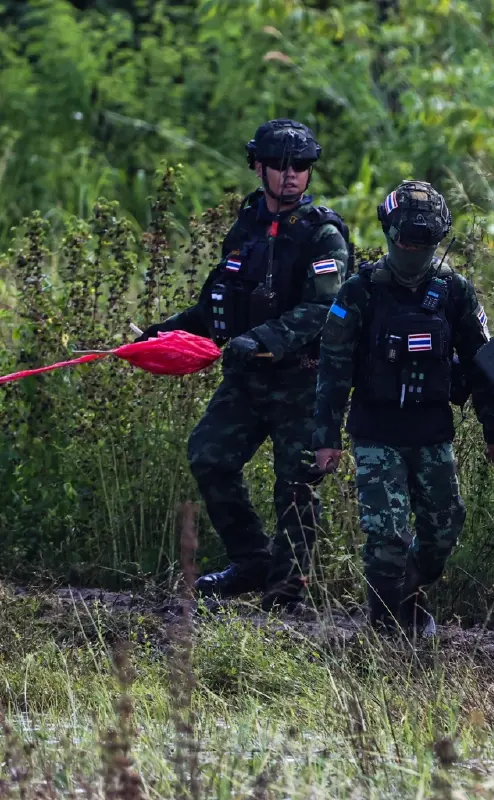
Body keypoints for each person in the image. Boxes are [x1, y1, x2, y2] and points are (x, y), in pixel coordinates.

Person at [136, 118, 350, 609]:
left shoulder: (324, 235)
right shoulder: (248, 224)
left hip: (300, 381)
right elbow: (217, 302)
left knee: (295, 484)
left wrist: (263, 338)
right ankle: (252, 560)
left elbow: (325, 310)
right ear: (258, 165)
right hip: (246, 379)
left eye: (301, 165)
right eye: (278, 164)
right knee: (209, 455)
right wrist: (167, 333)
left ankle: (287, 588)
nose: (290, 174)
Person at [312, 180, 494, 637]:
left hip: (431, 431)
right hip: (377, 432)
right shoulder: (358, 293)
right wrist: (326, 438)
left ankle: (409, 594)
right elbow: (334, 368)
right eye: (407, 240)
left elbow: (485, 364)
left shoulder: (454, 292)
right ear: (389, 235)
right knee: (385, 536)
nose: (415, 250)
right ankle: (386, 634)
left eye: (425, 243)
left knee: (444, 527)